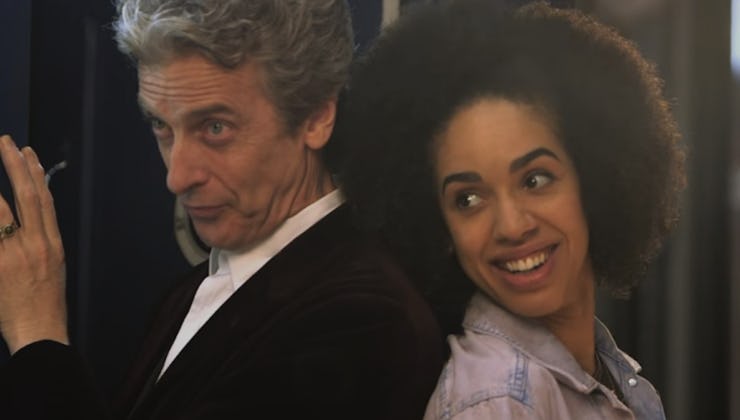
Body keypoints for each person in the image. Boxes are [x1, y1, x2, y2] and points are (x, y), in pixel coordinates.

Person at [0, 1, 444, 419]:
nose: (177, 177)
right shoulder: (202, 286)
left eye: (215, 128)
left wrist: (37, 330)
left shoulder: (366, 322)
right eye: (161, 125)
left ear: (315, 116)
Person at [335, 1, 685, 418]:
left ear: (595, 176)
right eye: (468, 199)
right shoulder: (495, 403)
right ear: (439, 227)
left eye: (535, 180)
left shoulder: (605, 371)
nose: (511, 225)